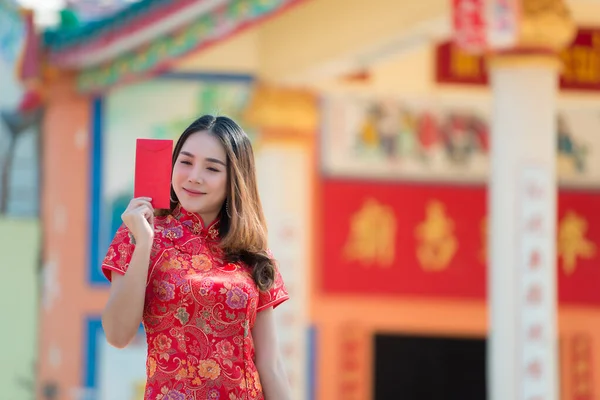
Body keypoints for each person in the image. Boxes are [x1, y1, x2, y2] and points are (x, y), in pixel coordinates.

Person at [101, 115, 291, 400]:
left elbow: (270, 364)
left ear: (235, 180)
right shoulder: (138, 234)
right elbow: (117, 335)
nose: (194, 176)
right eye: (186, 162)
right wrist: (144, 244)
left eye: (211, 168)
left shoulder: (253, 250)